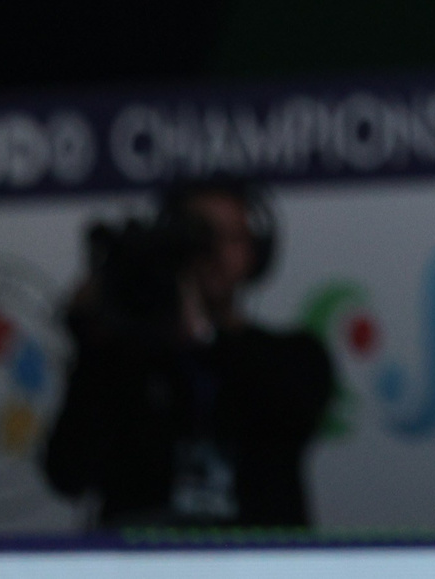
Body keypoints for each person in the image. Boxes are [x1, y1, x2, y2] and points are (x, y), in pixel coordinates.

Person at [43, 181, 334, 527]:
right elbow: (68, 474)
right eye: (196, 237)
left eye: (230, 237)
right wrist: (97, 339)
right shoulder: (125, 361)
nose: (211, 252)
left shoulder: (293, 356)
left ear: (256, 251)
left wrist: (201, 334)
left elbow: (288, 415)